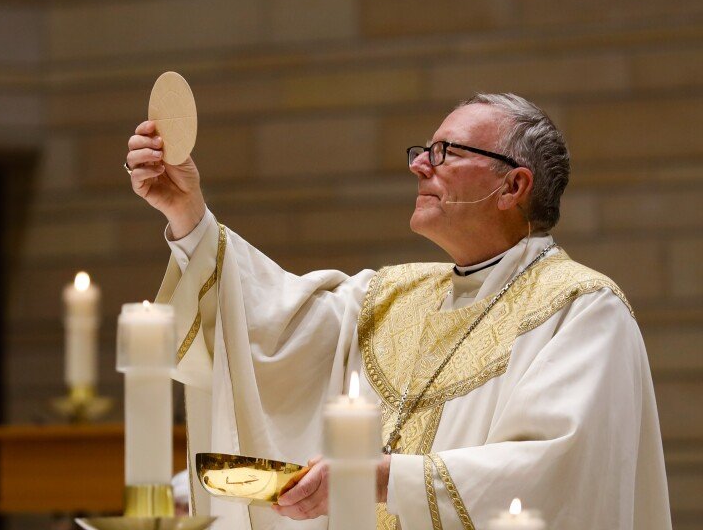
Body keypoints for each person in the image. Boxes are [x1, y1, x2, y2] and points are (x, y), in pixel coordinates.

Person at [125, 93, 672, 529]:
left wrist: (384, 479)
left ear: (514, 185)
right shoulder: (391, 295)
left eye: (446, 153)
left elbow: (557, 474)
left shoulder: (583, 310)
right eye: (422, 151)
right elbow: (271, 330)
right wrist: (188, 214)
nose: (420, 167)